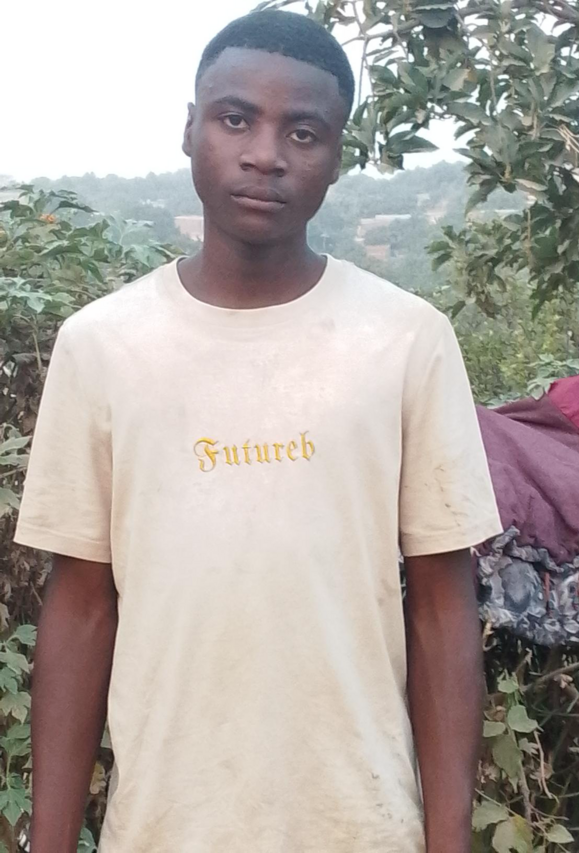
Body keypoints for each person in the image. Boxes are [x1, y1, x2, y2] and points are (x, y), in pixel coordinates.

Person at [15, 10, 502, 853]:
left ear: (336, 157)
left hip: (364, 829)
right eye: (235, 118)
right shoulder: (102, 346)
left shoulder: (405, 339)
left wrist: (447, 840)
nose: (265, 153)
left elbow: (441, 606)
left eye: (302, 132)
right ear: (190, 129)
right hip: (162, 829)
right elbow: (83, 607)